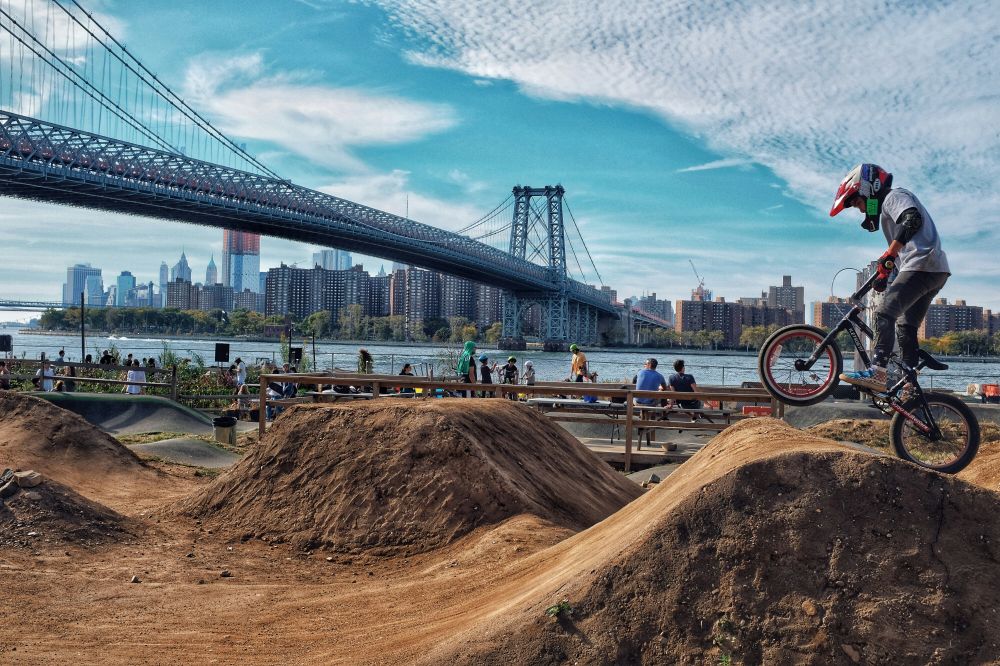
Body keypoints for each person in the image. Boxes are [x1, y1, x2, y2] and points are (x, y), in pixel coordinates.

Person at [830, 164, 950, 392]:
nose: (860, 209)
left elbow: (912, 219)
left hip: (921, 265)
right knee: (906, 326)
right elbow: (904, 245)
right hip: (934, 269)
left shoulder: (893, 197)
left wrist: (890, 253)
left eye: (858, 203)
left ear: (868, 190)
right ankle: (909, 387)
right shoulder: (886, 208)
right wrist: (886, 272)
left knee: (884, 313)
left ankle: (877, 372)